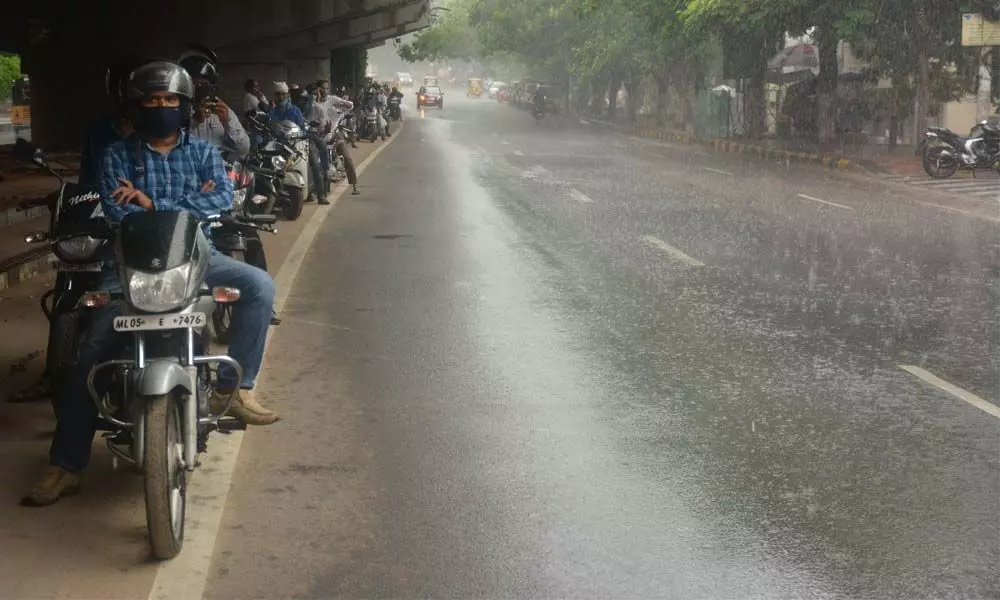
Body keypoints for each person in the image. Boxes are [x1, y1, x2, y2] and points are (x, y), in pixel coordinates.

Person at [21, 60, 280, 508]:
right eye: (152, 100)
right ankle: (66, 464)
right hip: (127, 266)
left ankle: (233, 387)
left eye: (170, 100)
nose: (161, 107)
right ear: (137, 107)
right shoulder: (117, 153)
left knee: (258, 286)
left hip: (197, 256)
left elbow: (219, 195)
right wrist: (176, 204)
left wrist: (150, 200)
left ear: (184, 107)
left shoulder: (201, 151)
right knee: (89, 357)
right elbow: (117, 210)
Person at [179, 48, 250, 159]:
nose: (200, 88)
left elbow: (244, 149)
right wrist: (193, 122)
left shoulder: (222, 110)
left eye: (204, 84)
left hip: (219, 172)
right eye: (195, 83)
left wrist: (227, 123)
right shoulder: (176, 111)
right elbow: (169, 149)